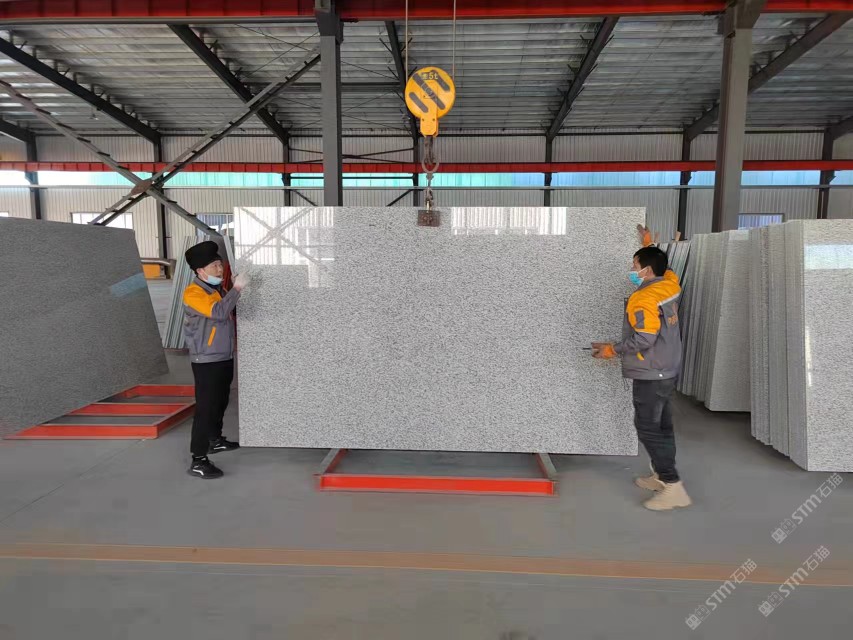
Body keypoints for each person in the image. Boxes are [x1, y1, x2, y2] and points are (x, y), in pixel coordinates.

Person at [591, 244, 691, 511]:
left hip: (652, 370)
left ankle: (672, 486)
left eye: (635, 266)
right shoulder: (669, 286)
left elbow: (645, 338)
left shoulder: (643, 298)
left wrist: (612, 350)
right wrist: (649, 245)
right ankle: (661, 475)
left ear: (647, 270)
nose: (632, 270)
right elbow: (668, 272)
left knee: (648, 427)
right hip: (667, 366)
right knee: (662, 425)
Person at [182, 240, 249, 479]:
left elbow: (227, 309)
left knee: (220, 402)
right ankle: (198, 459)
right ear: (200, 271)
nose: (220, 270)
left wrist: (232, 291)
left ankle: (214, 440)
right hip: (206, 360)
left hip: (223, 356)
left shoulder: (215, 290)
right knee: (206, 408)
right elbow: (219, 313)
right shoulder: (193, 293)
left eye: (220, 265)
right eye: (214, 266)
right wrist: (236, 289)